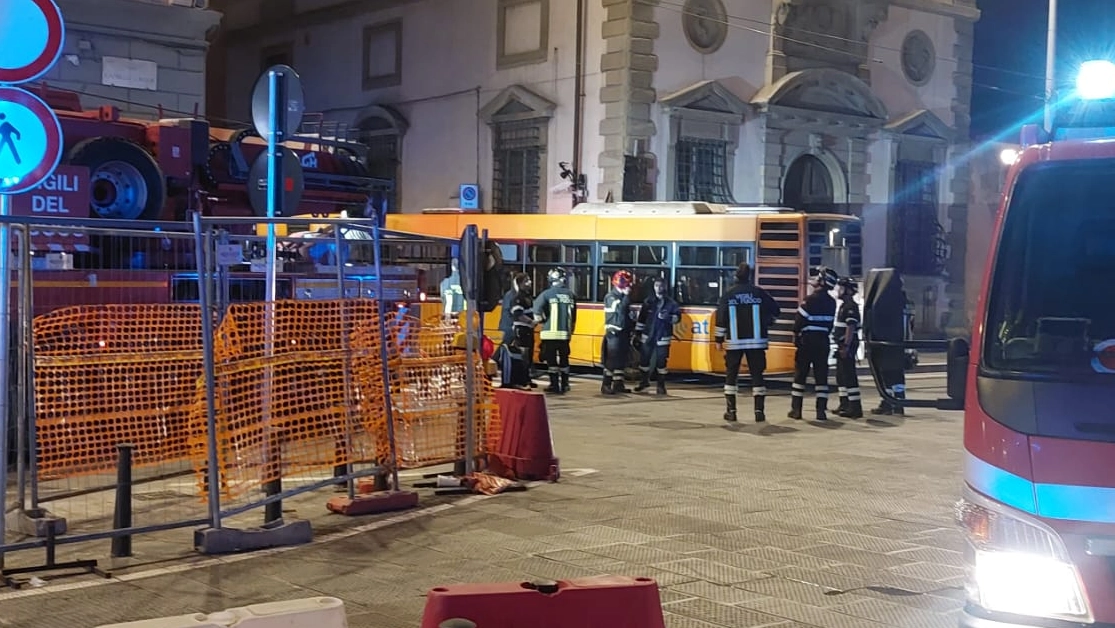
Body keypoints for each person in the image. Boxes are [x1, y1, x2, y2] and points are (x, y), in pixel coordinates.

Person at [714, 263, 781, 422]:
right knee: (757, 376)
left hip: (735, 342)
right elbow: (776, 310)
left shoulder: (728, 294)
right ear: (750, 276)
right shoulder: (759, 293)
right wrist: (767, 321)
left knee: (731, 376)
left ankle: (731, 411)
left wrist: (718, 340)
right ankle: (759, 412)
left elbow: (720, 318)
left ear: (736, 276)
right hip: (757, 342)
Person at [790, 266, 839, 421]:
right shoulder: (832, 303)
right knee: (821, 377)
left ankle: (796, 410)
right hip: (823, 342)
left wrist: (796, 334)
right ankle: (821, 411)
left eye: (818, 277)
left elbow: (799, 321)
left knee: (800, 376)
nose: (815, 279)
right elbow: (830, 324)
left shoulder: (809, 300)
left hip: (807, 342)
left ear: (822, 281)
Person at [533, 268, 577, 394]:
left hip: (549, 334)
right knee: (564, 360)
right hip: (564, 334)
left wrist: (541, 321)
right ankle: (565, 384)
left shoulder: (546, 294)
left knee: (551, 361)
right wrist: (570, 331)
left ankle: (554, 385)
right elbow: (574, 317)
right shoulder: (570, 295)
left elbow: (537, 313)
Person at [635, 276, 681, 395]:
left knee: (662, 363)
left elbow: (677, 318)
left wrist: (668, 318)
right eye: (656, 286)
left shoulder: (671, 303)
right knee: (644, 361)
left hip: (663, 337)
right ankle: (643, 382)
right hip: (648, 335)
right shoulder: (648, 302)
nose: (658, 288)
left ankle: (661, 386)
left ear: (665, 287)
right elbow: (642, 319)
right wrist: (637, 333)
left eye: (661, 286)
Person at [498, 272, 536, 388]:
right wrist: (531, 322)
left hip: (528, 330)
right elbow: (517, 314)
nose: (530, 282)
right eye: (526, 281)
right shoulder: (517, 298)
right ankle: (522, 380)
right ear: (520, 284)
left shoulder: (527, 297)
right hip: (521, 330)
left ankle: (527, 378)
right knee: (523, 354)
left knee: (528, 355)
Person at [601, 270, 635, 394]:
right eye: (627, 284)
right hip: (614, 332)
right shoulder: (611, 297)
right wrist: (626, 296)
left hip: (623, 332)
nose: (629, 286)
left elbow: (626, 315)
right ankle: (606, 385)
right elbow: (620, 311)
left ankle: (618, 384)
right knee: (612, 359)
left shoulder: (621, 297)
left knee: (621, 359)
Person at [833, 277, 863, 418]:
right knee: (841, 375)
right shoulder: (844, 305)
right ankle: (844, 404)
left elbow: (850, 327)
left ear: (848, 290)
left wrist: (846, 346)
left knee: (849, 375)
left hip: (847, 345)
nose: (839, 290)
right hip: (842, 345)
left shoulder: (851, 306)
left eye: (841, 287)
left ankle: (855, 408)